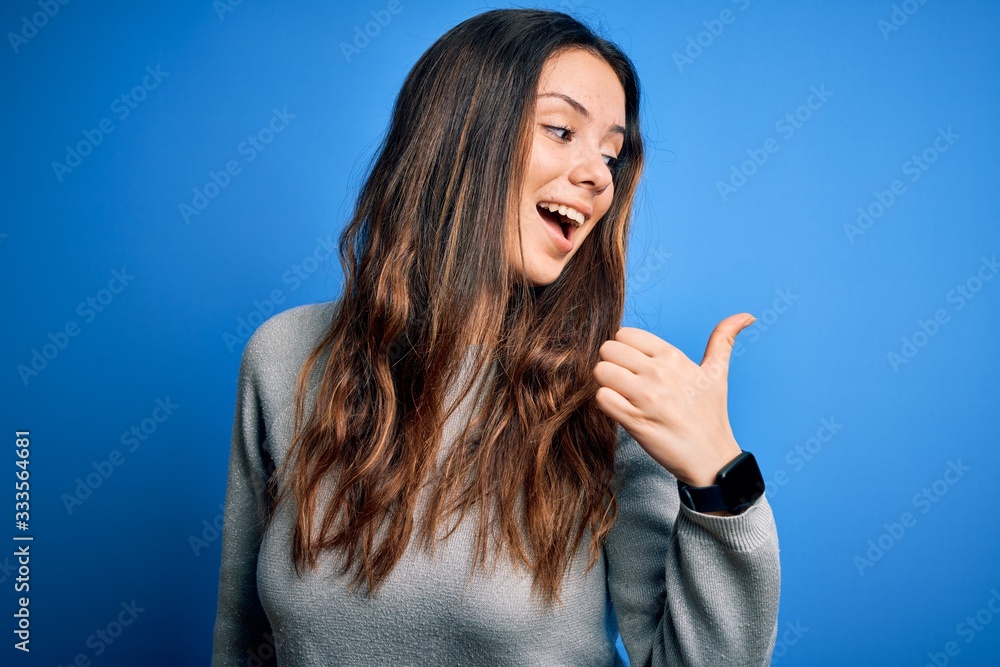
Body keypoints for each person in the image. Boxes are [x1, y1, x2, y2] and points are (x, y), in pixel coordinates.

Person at [211, 8, 780, 666]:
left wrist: (720, 481)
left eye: (611, 153)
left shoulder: (616, 391)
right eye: (562, 130)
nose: (598, 175)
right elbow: (243, 638)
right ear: (460, 135)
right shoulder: (285, 358)